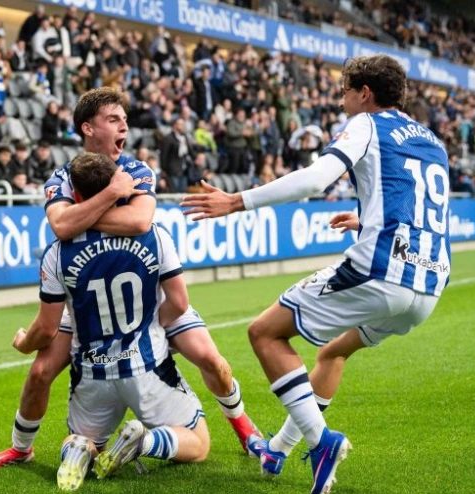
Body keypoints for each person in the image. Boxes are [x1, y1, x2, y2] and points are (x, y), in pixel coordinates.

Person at [181, 54, 451, 494]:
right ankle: (277, 451)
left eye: (346, 90)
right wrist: (368, 221)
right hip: (429, 285)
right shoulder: (433, 140)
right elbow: (422, 207)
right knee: (330, 355)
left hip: (381, 272)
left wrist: (236, 202)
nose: (342, 99)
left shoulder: (368, 123)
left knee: (265, 332)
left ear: (365, 93)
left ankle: (321, 442)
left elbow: (315, 180)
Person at [0, 87, 261, 471]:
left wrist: (82, 219)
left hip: (150, 300)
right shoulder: (63, 177)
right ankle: (20, 448)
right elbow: (62, 225)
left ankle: (245, 430)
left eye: (124, 119)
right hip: (87, 298)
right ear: (88, 128)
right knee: (41, 372)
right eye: (114, 119)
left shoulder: (138, 169)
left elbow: (134, 221)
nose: (124, 125)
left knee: (212, 359)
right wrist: (111, 194)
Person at [13, 152, 209, 490]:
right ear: (120, 189)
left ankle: (77, 449)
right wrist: (153, 328)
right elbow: (179, 302)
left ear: (74, 196)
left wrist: (23, 343)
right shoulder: (155, 235)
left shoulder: (57, 253)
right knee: (199, 442)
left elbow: (47, 328)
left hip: (93, 374)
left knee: (85, 440)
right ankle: (144, 443)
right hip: (145, 367)